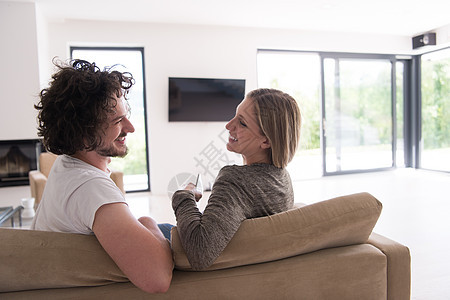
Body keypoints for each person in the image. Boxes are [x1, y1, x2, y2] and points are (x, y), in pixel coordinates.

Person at [31, 59, 173, 293]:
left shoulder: (65, 164)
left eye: (125, 116)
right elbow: (157, 279)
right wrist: (147, 223)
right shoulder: (90, 187)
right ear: (83, 135)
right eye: (118, 121)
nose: (131, 127)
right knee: (166, 229)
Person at [172, 88, 302, 270]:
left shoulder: (235, 181)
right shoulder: (282, 177)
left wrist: (184, 196)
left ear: (265, 142)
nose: (228, 126)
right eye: (235, 115)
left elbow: (200, 251)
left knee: (147, 222)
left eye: (242, 123)